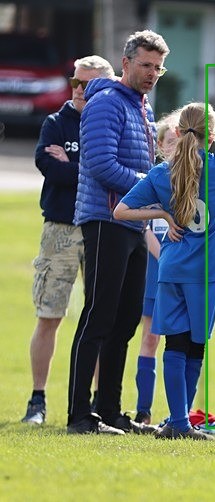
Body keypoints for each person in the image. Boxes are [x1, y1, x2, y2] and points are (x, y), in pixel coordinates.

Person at [114, 103, 215, 440]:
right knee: (196, 345)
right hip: (206, 273)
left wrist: (164, 217)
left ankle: (178, 421)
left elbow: (121, 211)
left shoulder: (159, 174)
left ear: (178, 133)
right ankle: (180, 423)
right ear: (212, 136)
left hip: (172, 268)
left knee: (174, 344)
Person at [67, 30, 169, 435]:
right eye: (145, 65)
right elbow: (100, 165)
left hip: (133, 224)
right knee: (98, 316)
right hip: (105, 221)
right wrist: (151, 184)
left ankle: (110, 411)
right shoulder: (107, 103)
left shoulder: (142, 106)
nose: (152, 73)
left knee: (126, 320)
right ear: (125, 63)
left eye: (158, 67)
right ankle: (79, 415)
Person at [21, 55, 115, 425]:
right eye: (75, 82)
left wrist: (75, 166)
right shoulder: (55, 122)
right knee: (49, 315)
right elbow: (49, 167)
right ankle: (37, 400)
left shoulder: (113, 121)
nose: (79, 90)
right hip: (59, 229)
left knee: (99, 320)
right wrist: (90, 170)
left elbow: (112, 173)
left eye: (87, 85)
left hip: (101, 229)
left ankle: (92, 403)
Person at [134, 112, 179, 425]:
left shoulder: (198, 178)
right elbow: (144, 226)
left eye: (181, 141)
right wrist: (165, 258)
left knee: (185, 343)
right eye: (170, 142)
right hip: (156, 272)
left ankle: (182, 414)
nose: (176, 147)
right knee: (149, 338)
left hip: (185, 275)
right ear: (160, 146)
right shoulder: (154, 178)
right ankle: (143, 411)